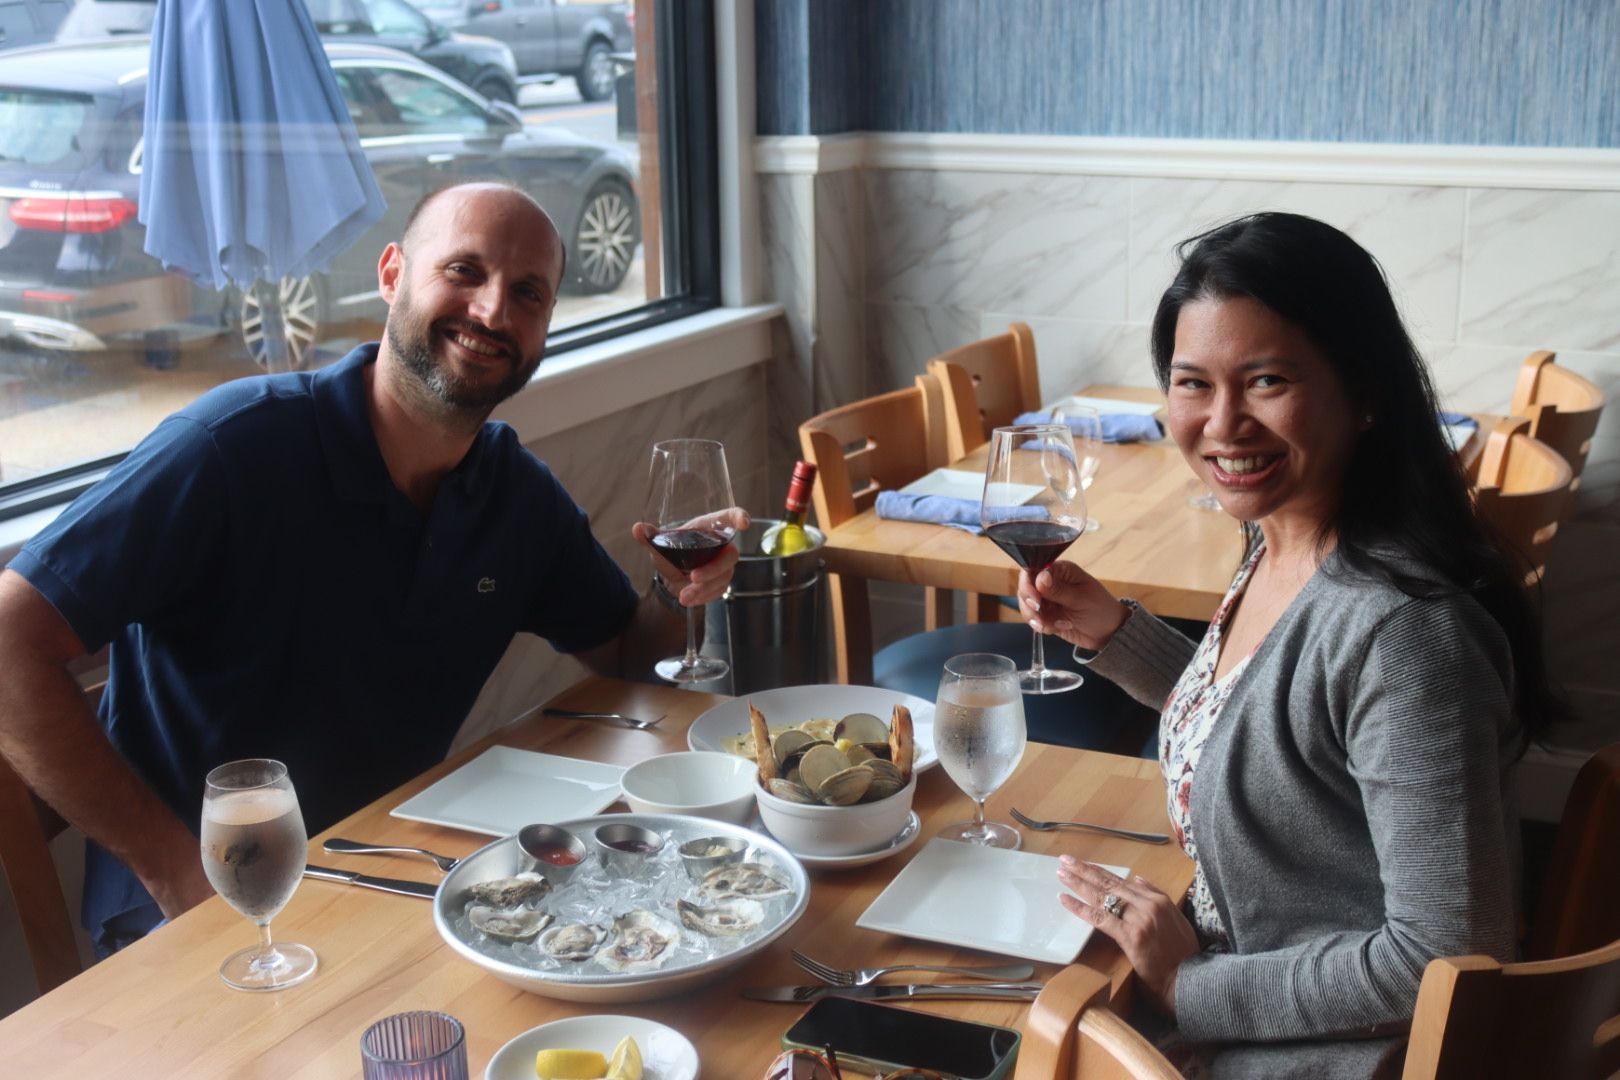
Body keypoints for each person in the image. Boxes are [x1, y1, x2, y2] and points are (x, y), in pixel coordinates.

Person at [0, 182, 746, 954]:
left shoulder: (512, 495)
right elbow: (7, 637)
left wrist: (675, 585)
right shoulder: (231, 448)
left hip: (390, 875)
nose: (493, 313)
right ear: (392, 275)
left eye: (527, 293)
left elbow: (628, 654)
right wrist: (174, 872)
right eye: (463, 271)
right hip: (205, 915)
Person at [1019, 212, 1553, 1077]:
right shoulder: (1289, 538)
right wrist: (1120, 635)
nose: (1223, 424)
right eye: (1193, 383)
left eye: (1266, 381)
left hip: (1327, 1057)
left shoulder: (1407, 633)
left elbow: (1446, 958)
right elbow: (1279, 719)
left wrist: (1188, 983)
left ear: (1364, 390)